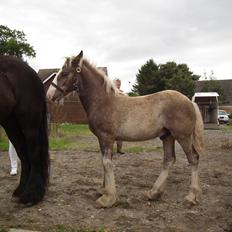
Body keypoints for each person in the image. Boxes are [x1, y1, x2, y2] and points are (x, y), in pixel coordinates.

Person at [113, 78, 126, 155]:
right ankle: (109, 149)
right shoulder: (111, 91)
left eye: (119, 83)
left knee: (120, 134)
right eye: (117, 83)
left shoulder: (122, 93)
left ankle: (119, 149)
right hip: (112, 115)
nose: (118, 84)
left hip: (120, 115)